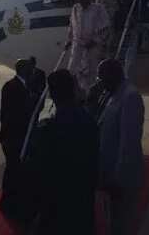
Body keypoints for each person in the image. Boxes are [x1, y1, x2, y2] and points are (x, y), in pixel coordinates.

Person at [22, 69, 99, 235]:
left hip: (55, 208)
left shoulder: (47, 129)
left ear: (53, 95)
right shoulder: (89, 122)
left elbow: (34, 172)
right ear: (72, 90)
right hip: (81, 203)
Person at [97, 59, 144, 235]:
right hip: (111, 176)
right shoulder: (116, 93)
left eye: (101, 78)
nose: (100, 82)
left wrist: (119, 180)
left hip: (121, 180)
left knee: (122, 224)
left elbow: (129, 144)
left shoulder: (130, 97)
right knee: (113, 223)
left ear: (113, 75)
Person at [0, 59, 37, 216]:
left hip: (23, 136)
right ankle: (6, 204)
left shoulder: (28, 86)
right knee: (12, 170)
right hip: (13, 137)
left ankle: (15, 202)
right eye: (30, 68)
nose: (33, 70)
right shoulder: (11, 86)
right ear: (23, 70)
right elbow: (11, 113)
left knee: (18, 172)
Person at [65, 0, 110, 94]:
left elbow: (105, 27)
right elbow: (72, 26)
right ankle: (73, 92)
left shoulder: (98, 8)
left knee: (92, 70)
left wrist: (95, 40)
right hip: (78, 45)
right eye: (80, 0)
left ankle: (90, 93)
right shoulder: (76, 8)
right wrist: (69, 40)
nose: (82, 2)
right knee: (73, 69)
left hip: (93, 45)